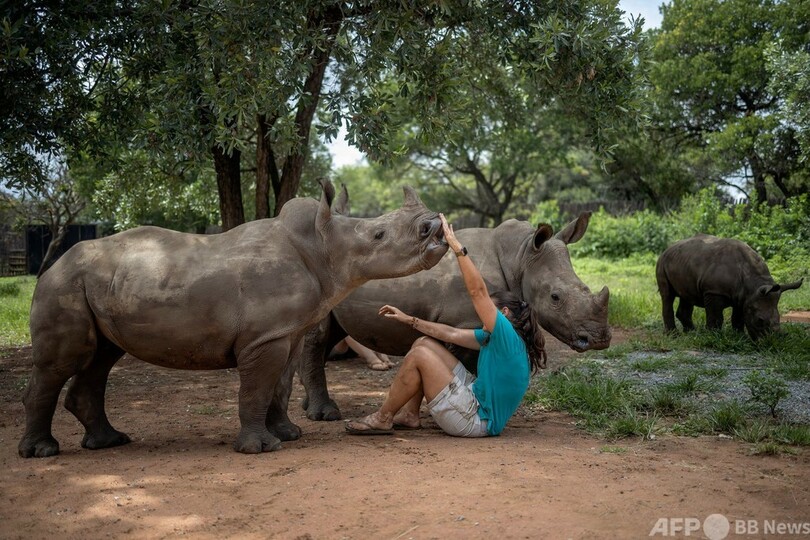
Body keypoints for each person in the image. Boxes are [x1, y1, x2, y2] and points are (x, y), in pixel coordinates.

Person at [345, 214, 546, 437]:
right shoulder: (496, 339)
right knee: (424, 344)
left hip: (475, 420)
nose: (482, 317)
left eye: (491, 310)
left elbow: (478, 293)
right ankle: (410, 414)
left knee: (419, 356)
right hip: (474, 398)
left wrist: (458, 249)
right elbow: (450, 333)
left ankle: (383, 418)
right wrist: (408, 319)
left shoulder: (505, 333)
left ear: (504, 313)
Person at [330, 336, 396, 371]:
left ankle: (385, 359)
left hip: (351, 348)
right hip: (332, 348)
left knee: (370, 331)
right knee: (346, 332)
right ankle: (373, 360)